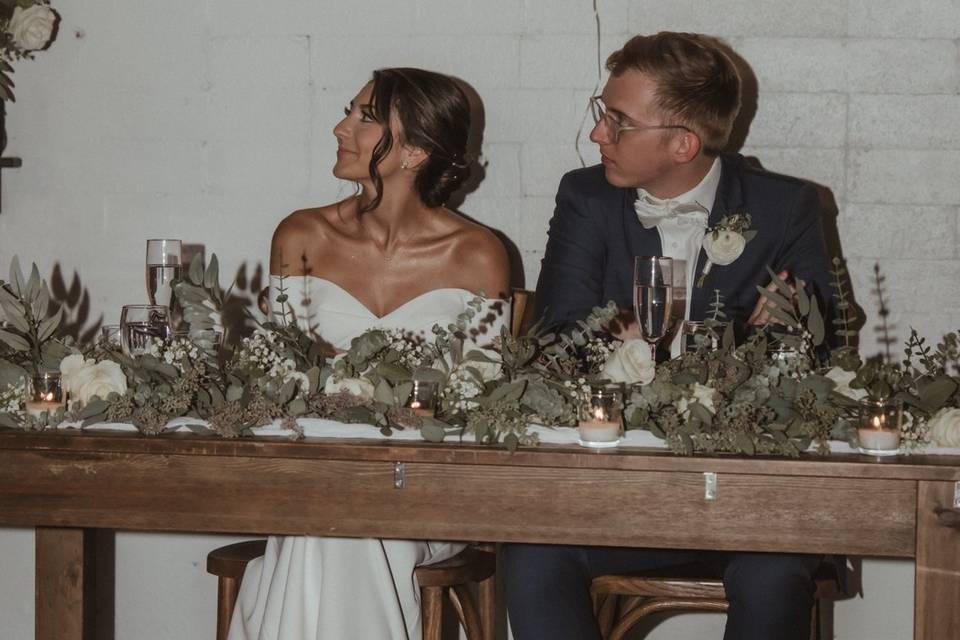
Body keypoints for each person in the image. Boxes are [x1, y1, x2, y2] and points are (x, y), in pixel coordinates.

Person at [505, 32, 831, 640]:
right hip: (614, 493)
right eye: (601, 114)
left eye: (618, 121)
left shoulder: (785, 207)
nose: (599, 134)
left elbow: (815, 352)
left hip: (749, 499)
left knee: (776, 573)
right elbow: (557, 340)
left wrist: (783, 329)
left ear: (683, 143)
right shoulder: (585, 197)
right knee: (532, 553)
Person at [229, 67, 510, 640]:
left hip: (429, 491)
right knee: (333, 515)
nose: (340, 127)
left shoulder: (477, 254)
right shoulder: (300, 236)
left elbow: (486, 404)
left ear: (412, 153)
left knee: (336, 525)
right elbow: (278, 383)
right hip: (313, 479)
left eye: (364, 118)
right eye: (349, 112)